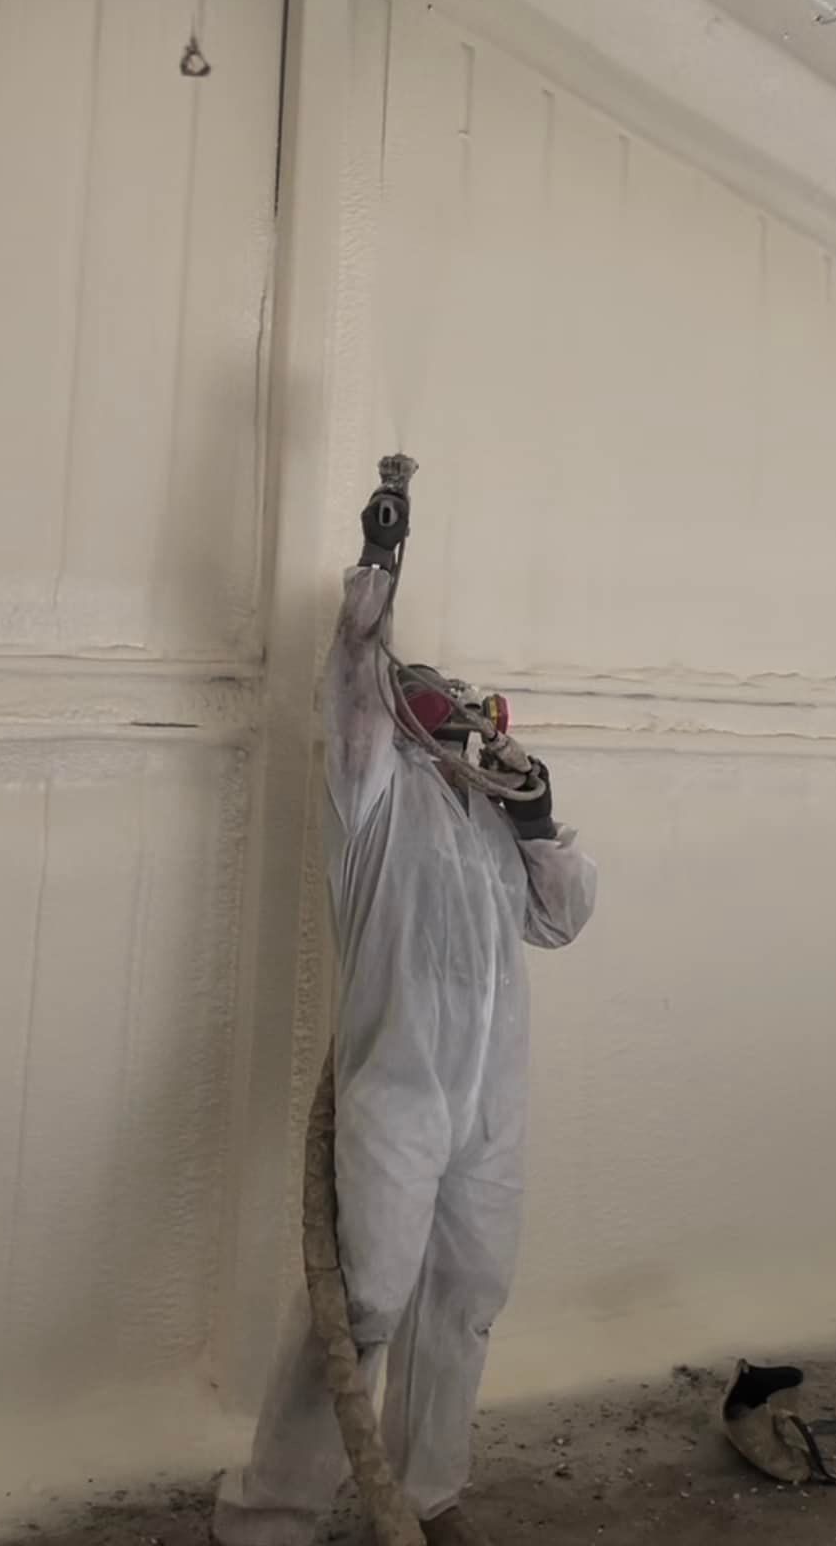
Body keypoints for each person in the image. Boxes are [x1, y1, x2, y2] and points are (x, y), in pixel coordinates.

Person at [214, 481, 598, 1546]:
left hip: (491, 1097)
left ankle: (430, 1491)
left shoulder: (488, 817)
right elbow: (351, 677)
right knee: (364, 1301)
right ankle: (271, 1511)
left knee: (467, 1293)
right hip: (397, 1087)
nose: (448, 699)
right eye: (425, 689)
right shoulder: (368, 796)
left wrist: (540, 818)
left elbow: (562, 922)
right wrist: (380, 566)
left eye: (460, 693)